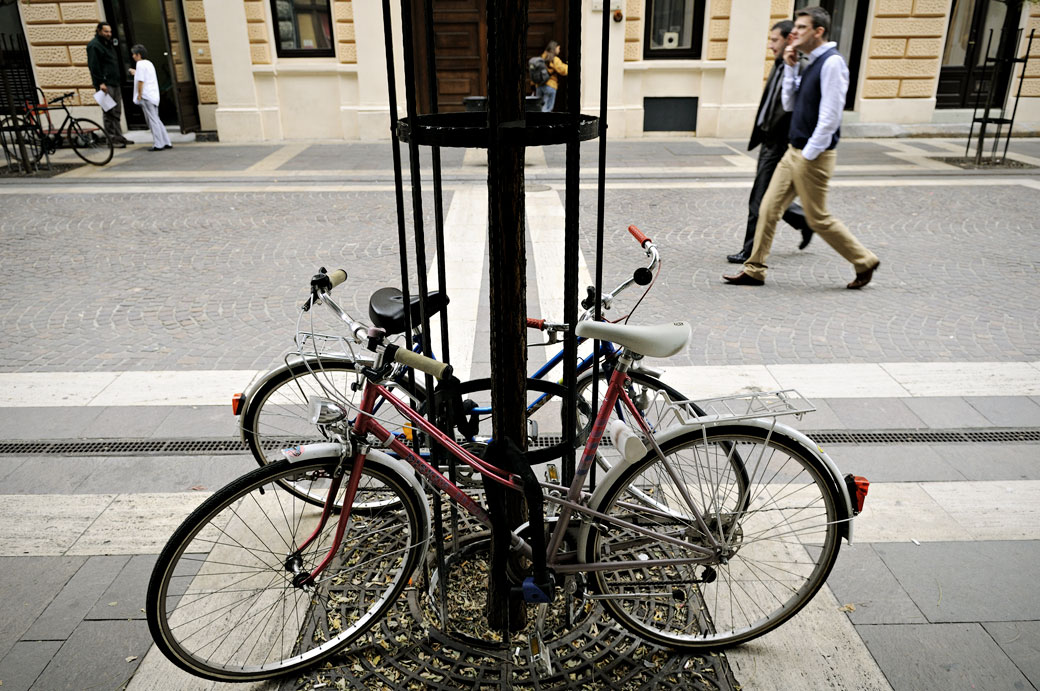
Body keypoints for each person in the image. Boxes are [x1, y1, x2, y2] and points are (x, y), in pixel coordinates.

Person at [724, 6, 880, 289]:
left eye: (802, 28)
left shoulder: (832, 63)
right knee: (769, 208)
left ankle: (864, 260)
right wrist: (792, 67)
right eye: (794, 27)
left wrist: (808, 155)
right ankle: (754, 268)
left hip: (814, 155)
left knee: (818, 218)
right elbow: (790, 105)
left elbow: (830, 118)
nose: (794, 32)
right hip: (793, 151)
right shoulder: (807, 61)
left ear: (818, 32)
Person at [727, 19, 814, 264]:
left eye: (774, 40)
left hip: (780, 143)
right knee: (770, 196)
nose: (769, 45)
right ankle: (806, 221)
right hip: (768, 139)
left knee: (760, 199)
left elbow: (793, 107)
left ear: (789, 39)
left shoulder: (798, 67)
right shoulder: (779, 64)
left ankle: (750, 252)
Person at [86, 22, 129, 148]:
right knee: (108, 111)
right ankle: (111, 139)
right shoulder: (94, 46)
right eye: (106, 32)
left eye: (110, 32)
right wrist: (100, 82)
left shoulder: (108, 44)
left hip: (114, 82)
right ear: (99, 31)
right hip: (105, 84)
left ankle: (118, 136)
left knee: (116, 111)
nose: (109, 34)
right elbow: (94, 66)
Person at [130, 45, 171, 151]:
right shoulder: (149, 63)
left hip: (146, 95)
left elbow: (141, 81)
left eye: (134, 54)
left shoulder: (139, 64)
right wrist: (135, 73)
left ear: (138, 55)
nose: (133, 56)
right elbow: (145, 76)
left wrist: (139, 94)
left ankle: (158, 144)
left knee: (152, 120)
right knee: (156, 119)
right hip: (153, 95)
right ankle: (166, 141)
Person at [537, 40, 568, 113]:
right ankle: (544, 124)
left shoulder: (541, 58)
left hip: (539, 86)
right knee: (547, 109)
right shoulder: (554, 59)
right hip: (550, 86)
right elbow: (563, 71)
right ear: (555, 48)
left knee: (539, 108)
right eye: (558, 48)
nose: (559, 50)